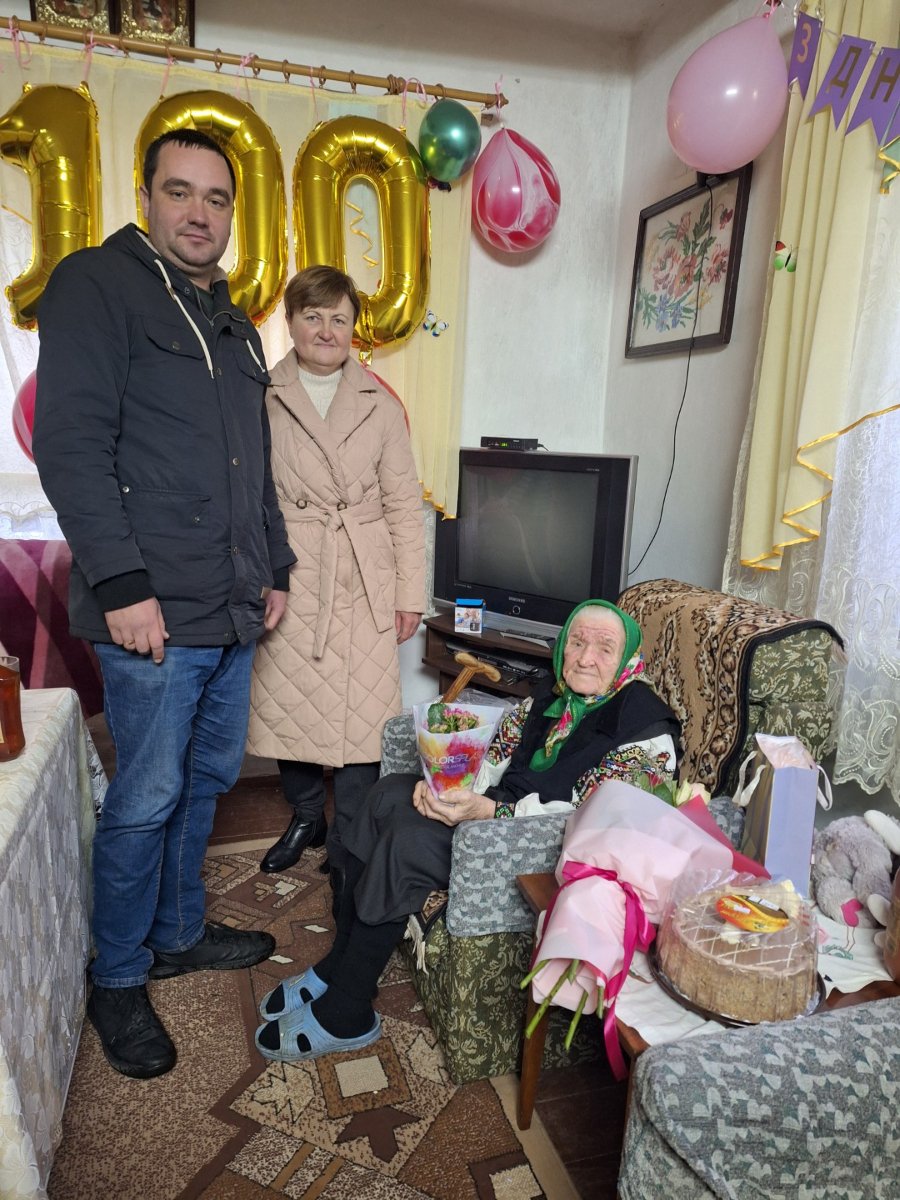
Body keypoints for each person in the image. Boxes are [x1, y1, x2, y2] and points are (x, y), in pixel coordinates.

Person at [32, 129, 296, 1080]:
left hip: (232, 604)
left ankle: (178, 933)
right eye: (179, 191)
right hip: (151, 610)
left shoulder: (235, 323)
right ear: (146, 197)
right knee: (144, 799)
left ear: (231, 215)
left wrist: (276, 565)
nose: (198, 212)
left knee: (206, 781)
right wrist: (124, 587)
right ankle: (118, 975)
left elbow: (252, 465)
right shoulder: (95, 285)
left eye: (216, 199)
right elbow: (70, 446)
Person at [253, 598, 681, 1062]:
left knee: (406, 843)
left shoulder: (644, 727)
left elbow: (597, 824)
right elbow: (495, 756)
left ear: (627, 659)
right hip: (495, 813)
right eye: (576, 643)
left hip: (541, 848)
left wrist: (489, 813)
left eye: (604, 648)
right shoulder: (552, 692)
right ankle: (339, 962)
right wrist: (445, 788)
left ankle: (349, 1009)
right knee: (386, 796)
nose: (584, 658)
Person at [246, 265, 425, 878]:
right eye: (313, 316)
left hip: (364, 575)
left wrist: (410, 593)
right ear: (291, 321)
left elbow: (403, 505)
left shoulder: (381, 404)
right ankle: (305, 816)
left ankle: (349, 832)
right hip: (290, 569)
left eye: (339, 319)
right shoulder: (260, 396)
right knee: (287, 705)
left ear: (354, 328)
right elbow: (249, 497)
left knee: (363, 717)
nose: (326, 330)